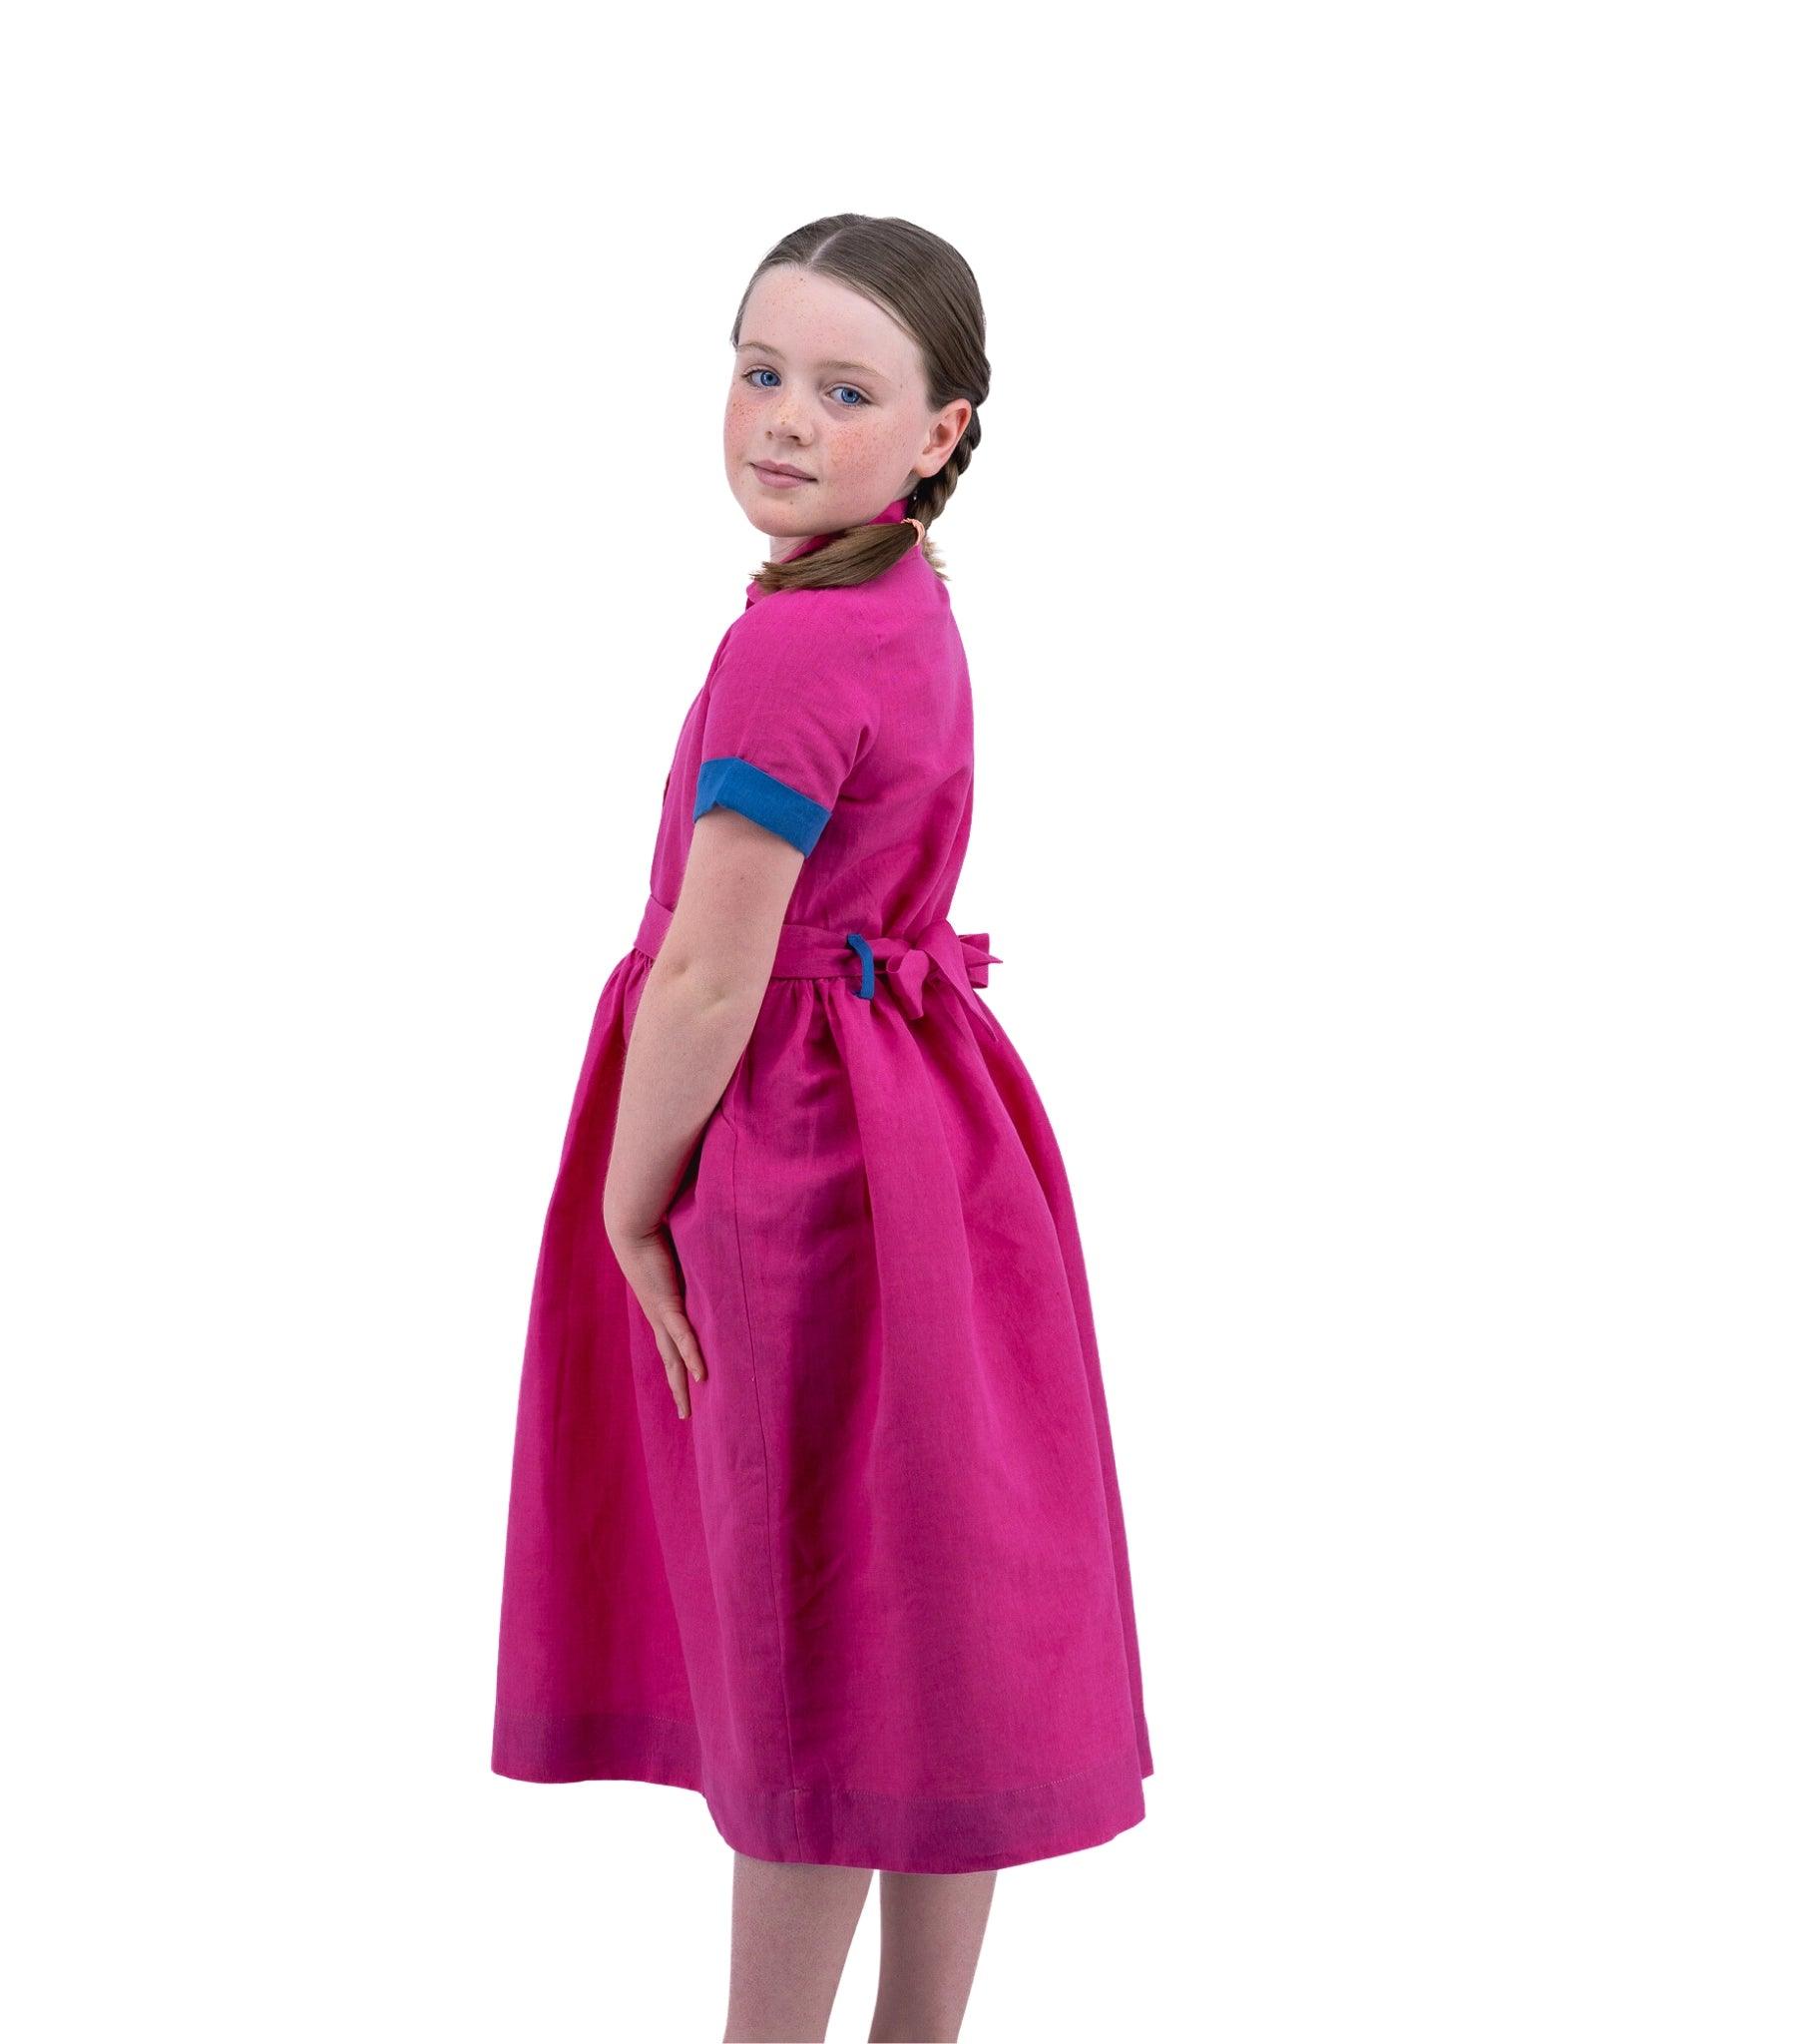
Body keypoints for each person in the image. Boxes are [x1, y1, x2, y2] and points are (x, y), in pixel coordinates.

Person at [491, 215, 1154, 2044]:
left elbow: (714, 972)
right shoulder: (902, 604)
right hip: (932, 1139)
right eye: (758, 369)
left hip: (797, 1155)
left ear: (943, 429)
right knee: (931, 1619)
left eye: (845, 390)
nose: (781, 419)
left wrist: (633, 1200)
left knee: (801, 1637)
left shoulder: (791, 652)